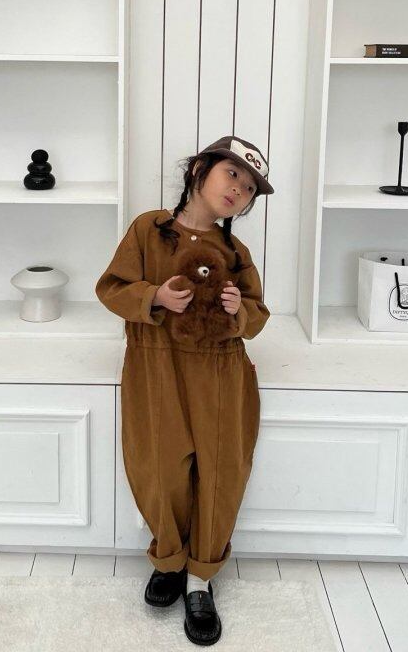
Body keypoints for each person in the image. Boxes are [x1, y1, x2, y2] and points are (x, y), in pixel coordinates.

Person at [95, 135, 273, 646]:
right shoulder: (148, 230)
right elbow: (111, 287)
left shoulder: (234, 252)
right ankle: (169, 561)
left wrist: (237, 310)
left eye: (250, 188)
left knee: (220, 471)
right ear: (199, 170)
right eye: (232, 174)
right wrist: (155, 296)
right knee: (158, 465)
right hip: (156, 366)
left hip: (219, 372)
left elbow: (258, 313)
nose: (239, 190)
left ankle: (200, 579)